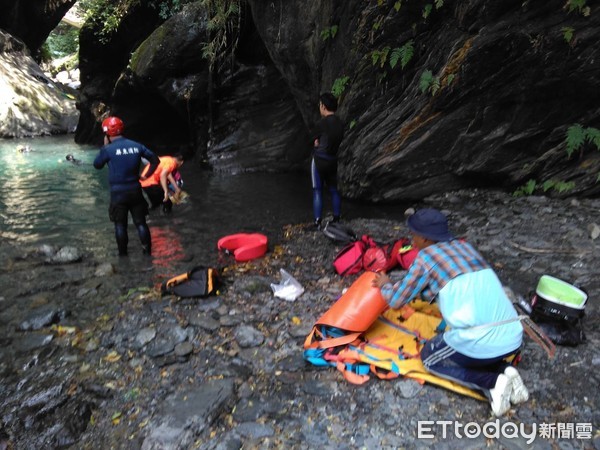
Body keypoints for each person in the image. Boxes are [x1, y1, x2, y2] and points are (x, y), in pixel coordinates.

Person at [372, 208, 529, 416]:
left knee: (430, 357)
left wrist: (385, 284)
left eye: (414, 234)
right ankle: (507, 372)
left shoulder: (426, 258)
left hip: (486, 339)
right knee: (468, 347)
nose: (412, 238)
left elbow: (396, 300)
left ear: (426, 238)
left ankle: (494, 382)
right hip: (513, 334)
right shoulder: (465, 247)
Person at [93, 116, 160, 256]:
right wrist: (146, 176)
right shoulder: (136, 145)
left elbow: (97, 165)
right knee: (141, 223)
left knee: (120, 225)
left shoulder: (108, 150)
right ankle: (147, 253)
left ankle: (123, 256)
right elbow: (155, 160)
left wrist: (105, 147)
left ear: (107, 133)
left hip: (118, 194)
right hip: (135, 191)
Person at [311, 92, 344, 229]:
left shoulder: (321, 123)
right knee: (334, 190)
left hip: (319, 160)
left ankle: (317, 222)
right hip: (332, 160)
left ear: (323, 106)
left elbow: (315, 142)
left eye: (320, 105)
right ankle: (336, 219)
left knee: (317, 190)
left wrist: (316, 143)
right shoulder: (340, 123)